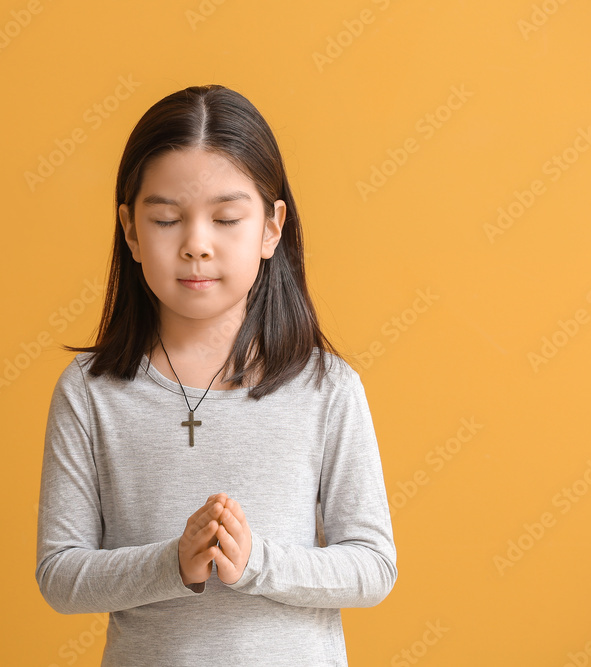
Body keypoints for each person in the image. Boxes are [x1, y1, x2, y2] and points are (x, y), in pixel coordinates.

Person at [35, 84, 397, 666]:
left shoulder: (327, 388)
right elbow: (60, 573)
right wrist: (172, 562)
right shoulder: (90, 392)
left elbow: (373, 567)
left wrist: (255, 562)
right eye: (167, 219)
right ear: (130, 230)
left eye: (227, 218)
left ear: (271, 229)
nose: (196, 246)